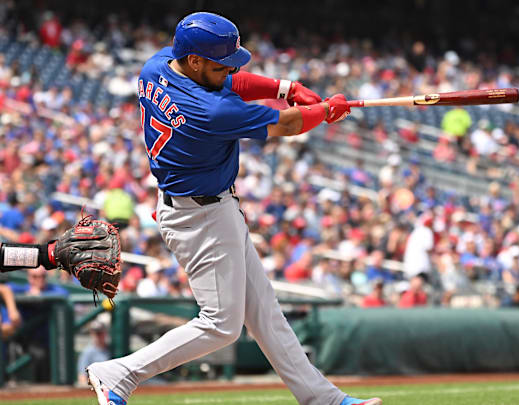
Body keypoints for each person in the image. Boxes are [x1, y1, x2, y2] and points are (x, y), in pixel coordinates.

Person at [85, 12, 379, 405]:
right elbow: (288, 125)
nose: (229, 70)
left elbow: (229, 79)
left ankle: (324, 400)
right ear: (194, 61)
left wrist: (286, 86)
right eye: (221, 63)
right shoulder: (211, 112)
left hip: (203, 207)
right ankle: (117, 373)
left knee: (266, 315)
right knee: (222, 326)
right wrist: (326, 111)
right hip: (200, 216)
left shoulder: (157, 65)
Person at [77, 322, 111, 386]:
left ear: (105, 333)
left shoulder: (112, 349)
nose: (98, 336)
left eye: (100, 333)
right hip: (96, 388)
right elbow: (82, 377)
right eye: (96, 333)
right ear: (92, 334)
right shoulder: (87, 352)